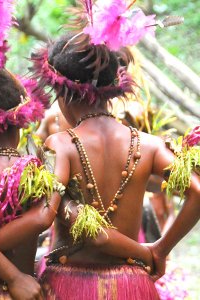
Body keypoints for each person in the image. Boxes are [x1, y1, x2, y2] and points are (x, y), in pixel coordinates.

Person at [30, 1, 200, 299]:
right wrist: (161, 248)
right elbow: (197, 192)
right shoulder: (149, 145)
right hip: (132, 285)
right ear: (113, 89)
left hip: (70, 286)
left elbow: (57, 217)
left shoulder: (61, 144)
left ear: (62, 94)